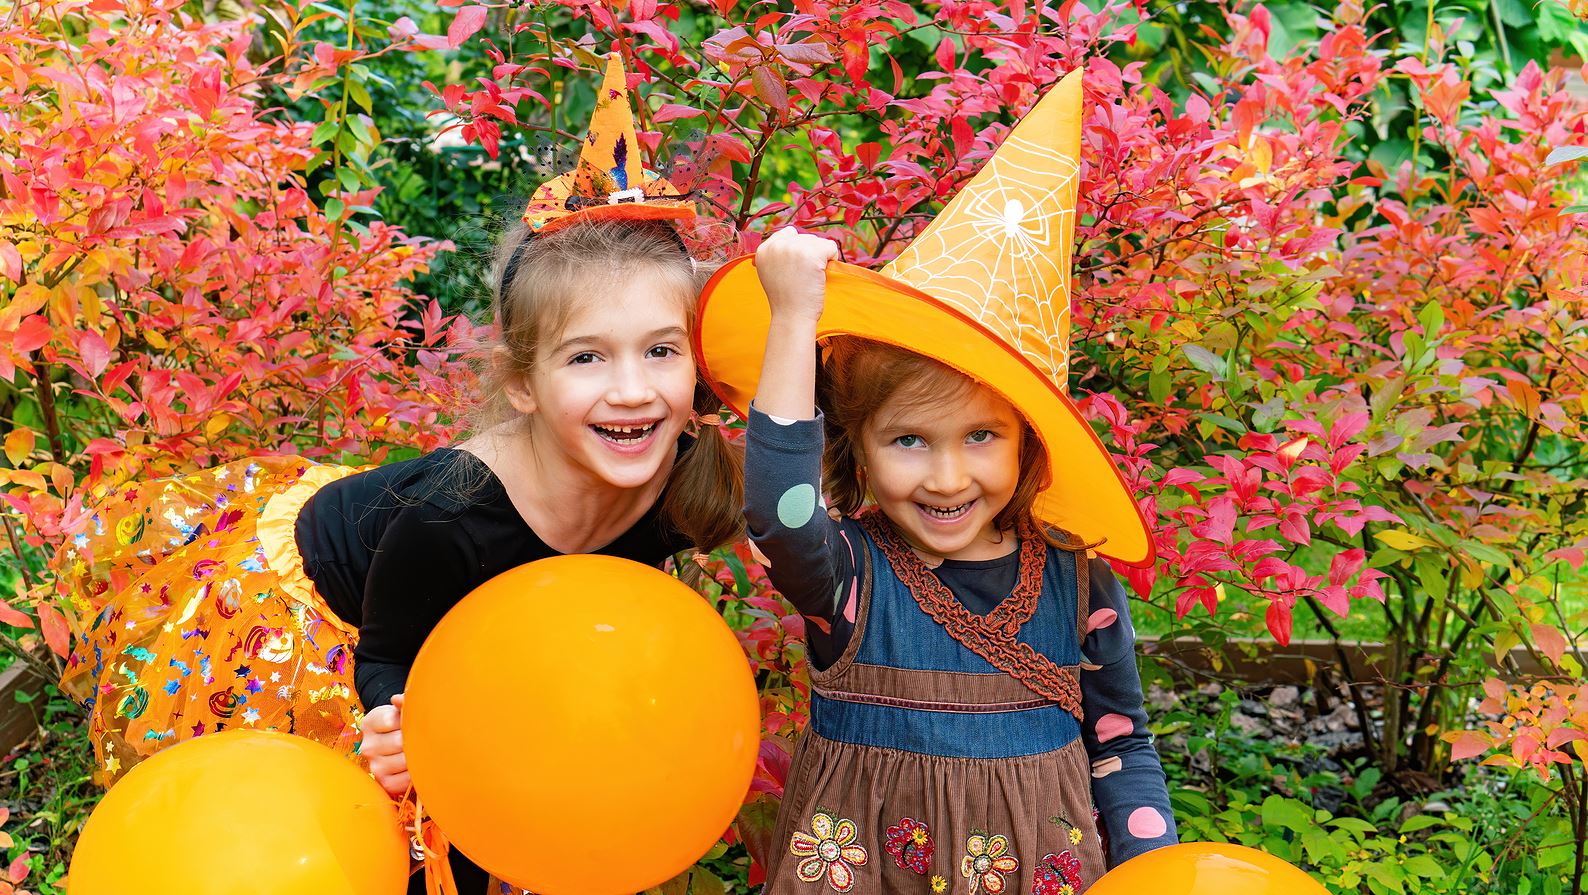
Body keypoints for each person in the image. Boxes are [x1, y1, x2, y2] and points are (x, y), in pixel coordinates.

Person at [53, 53, 742, 895]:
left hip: (464, 626)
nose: (633, 389)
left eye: (661, 351)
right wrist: (395, 718)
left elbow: (595, 627)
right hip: (337, 613)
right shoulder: (449, 519)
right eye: (587, 356)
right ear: (522, 383)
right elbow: (385, 658)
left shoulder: (670, 475)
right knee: (388, 834)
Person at [693, 69, 1175, 892]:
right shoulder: (847, 577)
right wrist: (796, 320)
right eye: (910, 438)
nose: (948, 475)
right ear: (859, 443)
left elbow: (1121, 741)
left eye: (982, 435)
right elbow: (778, 515)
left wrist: (1153, 872)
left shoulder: (1077, 577)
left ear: (1028, 441)